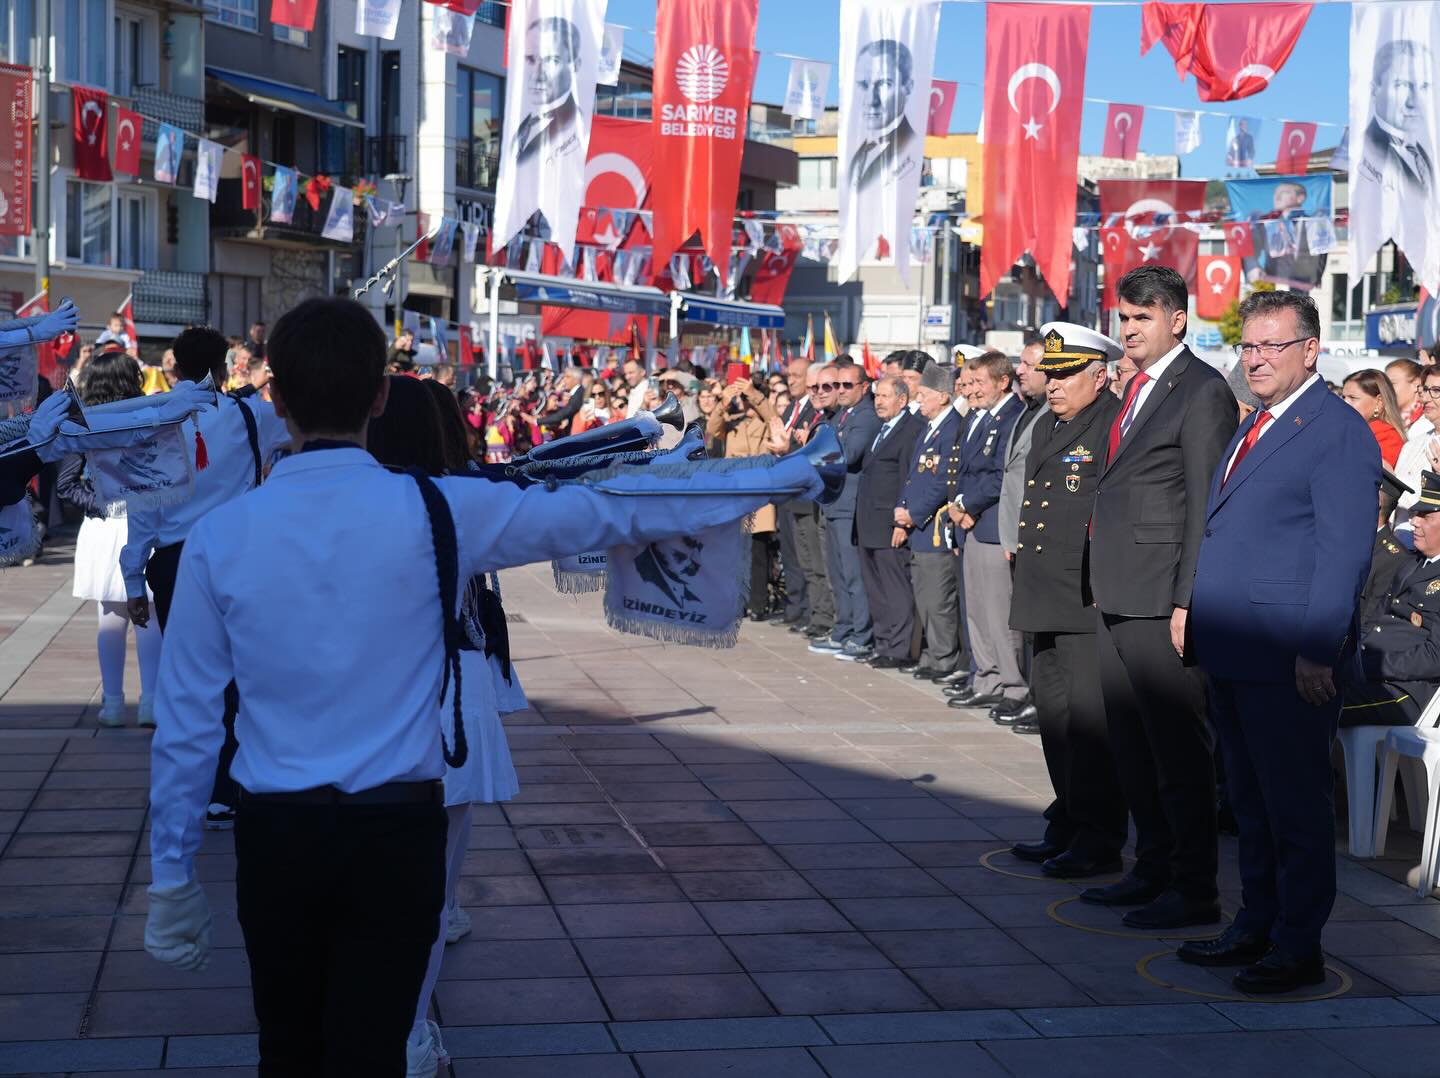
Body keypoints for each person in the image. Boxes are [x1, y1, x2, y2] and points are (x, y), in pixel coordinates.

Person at [141, 297, 830, 1074]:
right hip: (396, 831)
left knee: (289, 1049)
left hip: (280, 832)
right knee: (372, 1051)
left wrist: (172, 873)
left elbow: (189, 722)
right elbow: (608, 514)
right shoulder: (438, 508)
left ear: (275, 398)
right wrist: (787, 472)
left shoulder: (222, 534)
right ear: (378, 395)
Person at [1182, 289, 1379, 993]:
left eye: (1272, 346)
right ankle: (1255, 925)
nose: (1256, 359)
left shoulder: (1336, 429)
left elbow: (1343, 552)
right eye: (1250, 346)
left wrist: (1319, 648)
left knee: (1294, 808)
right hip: (1236, 647)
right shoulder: (1260, 422)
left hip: (1290, 654)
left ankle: (1298, 946)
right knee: (1251, 802)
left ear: (1310, 350)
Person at [1084, 265, 1238, 929]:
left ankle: (1193, 886)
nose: (1129, 329)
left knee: (1177, 750)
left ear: (1177, 319)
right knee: (1131, 744)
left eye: (1142, 318)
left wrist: (1188, 599)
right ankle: (1150, 867)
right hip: (1116, 588)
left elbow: (1205, 500)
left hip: (1159, 596)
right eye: (1124, 318)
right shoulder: (1135, 388)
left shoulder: (1200, 390)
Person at [122, 326, 292, 831]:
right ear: (222, 368)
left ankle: (192, 786)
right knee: (241, 675)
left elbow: (141, 504)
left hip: (176, 563)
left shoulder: (150, 421)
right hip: (239, 556)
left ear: (171, 367)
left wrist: (133, 579)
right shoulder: (249, 415)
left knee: (190, 678)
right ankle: (230, 786)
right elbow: (304, 421)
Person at [1009, 323, 1129, 874]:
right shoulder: (1052, 424)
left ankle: (1099, 836)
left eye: (1066, 374)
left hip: (1083, 596)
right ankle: (1069, 819)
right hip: (1044, 592)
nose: (1053, 385)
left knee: (1089, 727)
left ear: (1099, 376)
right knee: (1056, 722)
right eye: (1050, 374)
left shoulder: (1111, 423)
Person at [58, 349, 163, 728]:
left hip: (107, 528)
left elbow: (66, 486)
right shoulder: (149, 420)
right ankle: (148, 702)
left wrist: (103, 506)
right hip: (142, 522)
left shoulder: (84, 425)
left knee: (111, 618)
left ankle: (115, 704)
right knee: (148, 617)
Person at [947, 351, 1027, 711]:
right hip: (972, 526)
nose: (972, 390)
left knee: (999, 613)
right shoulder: (978, 417)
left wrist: (965, 505)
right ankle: (986, 678)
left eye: (979, 383)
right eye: (969, 382)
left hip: (992, 524)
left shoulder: (1012, 417)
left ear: (1002, 381)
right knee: (977, 610)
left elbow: (1002, 475)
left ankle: (1013, 686)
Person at [1346, 469, 1440, 728]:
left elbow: (1435, 656)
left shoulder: (1404, 561)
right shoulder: (1412, 565)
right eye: (1416, 514)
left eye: (1425, 516)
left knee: (1319, 705)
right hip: (1371, 673)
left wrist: (1372, 665)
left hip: (1405, 691)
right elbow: (1376, 618)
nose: (1414, 522)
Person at [895, 362, 963, 679]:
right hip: (918, 529)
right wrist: (903, 510)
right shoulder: (930, 427)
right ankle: (932, 655)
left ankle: (944, 659)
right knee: (924, 596)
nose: (918, 399)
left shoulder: (952, 429)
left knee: (939, 600)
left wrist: (914, 513)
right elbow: (914, 476)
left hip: (935, 528)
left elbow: (942, 482)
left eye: (923, 394)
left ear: (943, 396)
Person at [812, 360, 880, 660]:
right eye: (836, 385)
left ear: (864, 387)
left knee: (853, 575)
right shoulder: (841, 414)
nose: (839, 390)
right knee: (837, 575)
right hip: (833, 502)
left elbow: (849, 454)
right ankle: (843, 630)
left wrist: (820, 448)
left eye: (846, 385)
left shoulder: (865, 415)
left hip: (849, 504)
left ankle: (861, 635)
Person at [856, 376, 923, 669]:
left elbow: (908, 478)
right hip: (868, 522)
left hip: (890, 523)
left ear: (902, 399)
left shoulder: (910, 430)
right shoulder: (882, 429)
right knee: (876, 589)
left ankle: (899, 648)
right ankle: (883, 643)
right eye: (876, 396)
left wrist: (901, 521)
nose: (878, 402)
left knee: (895, 589)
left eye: (885, 396)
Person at [706, 375, 779, 619]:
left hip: (758, 490)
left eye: (749, 397)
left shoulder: (766, 420)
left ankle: (758, 604)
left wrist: (754, 394)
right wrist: (724, 402)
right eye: (744, 398)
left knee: (758, 551)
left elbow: (775, 419)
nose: (746, 402)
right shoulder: (732, 420)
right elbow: (712, 429)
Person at [771, 356, 819, 628]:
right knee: (789, 552)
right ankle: (795, 605)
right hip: (785, 492)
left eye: (797, 376)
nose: (791, 381)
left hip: (803, 492)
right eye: (789, 375)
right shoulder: (791, 408)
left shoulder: (814, 410)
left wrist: (787, 448)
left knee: (806, 557)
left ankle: (809, 610)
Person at [1361, 39, 1435, 200]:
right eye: (1402, 85)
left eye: (1424, 86)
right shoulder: (1362, 151)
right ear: (1374, 90)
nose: (1414, 102)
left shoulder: (1427, 154)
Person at [846, 38, 918, 195]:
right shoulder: (854, 154)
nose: (871, 100)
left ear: (907, 87)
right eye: (863, 85)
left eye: (885, 84)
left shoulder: (912, 148)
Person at [512, 16, 584, 167]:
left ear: (575, 66)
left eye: (551, 61)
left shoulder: (576, 124)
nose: (537, 74)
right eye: (531, 60)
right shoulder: (519, 125)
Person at [1342, 368, 1408, 468]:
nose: (1344, 403)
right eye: (1343, 397)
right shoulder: (1352, 429)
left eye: (1353, 398)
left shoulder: (1388, 437)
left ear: (1379, 402)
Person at [537, 366, 586, 433]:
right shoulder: (577, 393)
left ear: (576, 379)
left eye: (567, 377)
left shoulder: (578, 394)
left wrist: (537, 421)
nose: (564, 380)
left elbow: (562, 415)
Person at [1388, 357, 1426, 428]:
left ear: (1415, 385)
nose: (1386, 389)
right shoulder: (1388, 418)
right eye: (1385, 384)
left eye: (1392, 383)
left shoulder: (1427, 420)